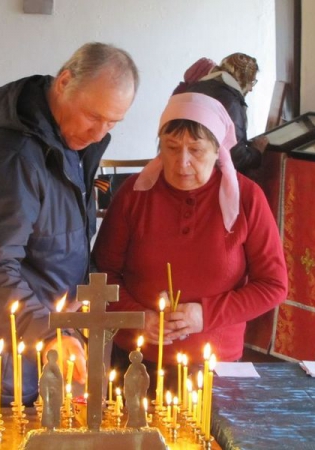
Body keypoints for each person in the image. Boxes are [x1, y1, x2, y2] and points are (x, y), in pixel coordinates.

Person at [0, 42, 139, 421]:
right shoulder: (12, 156)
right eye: (94, 116)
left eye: (113, 122)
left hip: (30, 348)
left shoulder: (69, 145)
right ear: (64, 82)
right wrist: (47, 333)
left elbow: (56, 241)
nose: (99, 132)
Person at [92, 92, 287, 391]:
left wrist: (204, 315)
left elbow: (273, 285)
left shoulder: (247, 198)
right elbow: (101, 273)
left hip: (214, 366)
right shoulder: (135, 194)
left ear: (218, 151)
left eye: (196, 150)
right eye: (171, 148)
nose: (182, 163)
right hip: (137, 359)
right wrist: (138, 316)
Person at [180, 53, 269, 176]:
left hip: (186, 169)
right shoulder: (230, 102)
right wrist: (256, 152)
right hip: (213, 178)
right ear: (242, 79)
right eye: (251, 82)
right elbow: (236, 158)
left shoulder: (194, 88)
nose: (250, 89)